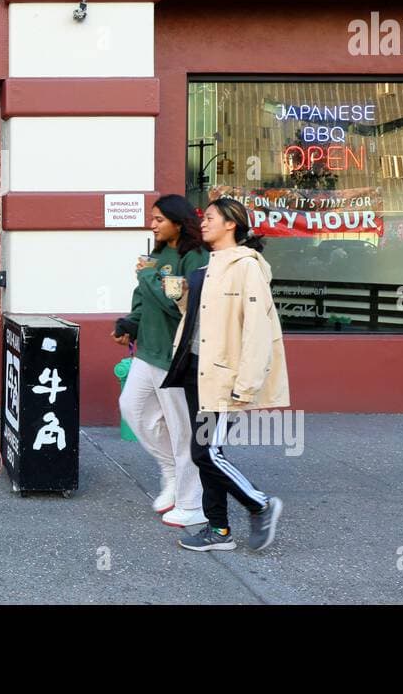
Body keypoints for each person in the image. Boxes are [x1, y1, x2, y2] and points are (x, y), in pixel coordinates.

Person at [165, 197, 289, 552]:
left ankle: (260, 505)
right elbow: (201, 320)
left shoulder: (246, 267)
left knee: (206, 453)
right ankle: (218, 529)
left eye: (210, 218)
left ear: (231, 224)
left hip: (223, 377)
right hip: (196, 371)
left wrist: (246, 383)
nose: (203, 223)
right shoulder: (210, 266)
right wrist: (181, 297)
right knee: (205, 451)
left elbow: (257, 329)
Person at [113, 195, 210, 528]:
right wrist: (130, 323)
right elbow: (145, 301)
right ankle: (171, 471)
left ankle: (191, 503)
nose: (151, 225)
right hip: (148, 352)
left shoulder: (194, 256)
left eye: (158, 220)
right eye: (151, 219)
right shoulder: (155, 255)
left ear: (178, 223)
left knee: (183, 430)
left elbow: (177, 306)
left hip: (176, 357)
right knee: (133, 409)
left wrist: (149, 277)